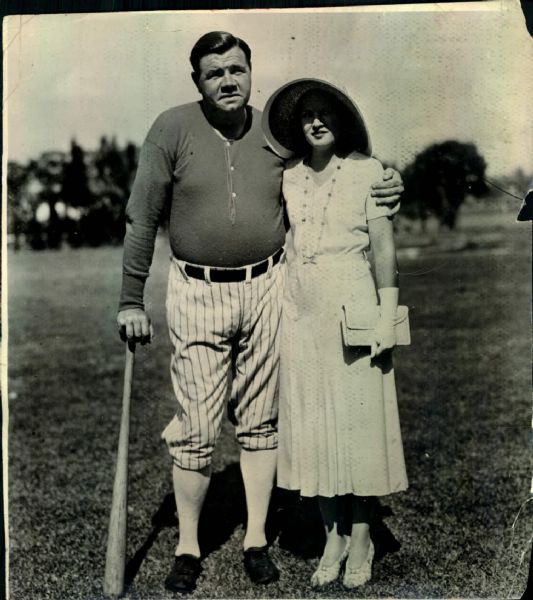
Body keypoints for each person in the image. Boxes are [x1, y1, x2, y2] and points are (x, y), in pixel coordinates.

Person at [116, 33, 404, 593]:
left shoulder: (275, 139)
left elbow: (343, 174)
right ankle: (188, 546)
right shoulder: (171, 128)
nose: (228, 80)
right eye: (214, 72)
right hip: (197, 291)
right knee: (197, 424)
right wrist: (131, 299)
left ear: (251, 73)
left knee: (261, 420)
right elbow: (141, 217)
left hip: (271, 287)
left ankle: (255, 539)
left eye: (237, 69)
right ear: (196, 81)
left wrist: (391, 180)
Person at [262, 79, 409, 588]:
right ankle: (333, 536)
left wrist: (386, 316)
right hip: (299, 308)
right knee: (314, 422)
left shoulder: (370, 173)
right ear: (297, 126)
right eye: (308, 116)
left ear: (341, 120)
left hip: (354, 303)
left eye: (326, 114)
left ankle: (362, 534)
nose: (317, 122)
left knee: (358, 422)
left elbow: (384, 249)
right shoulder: (287, 176)